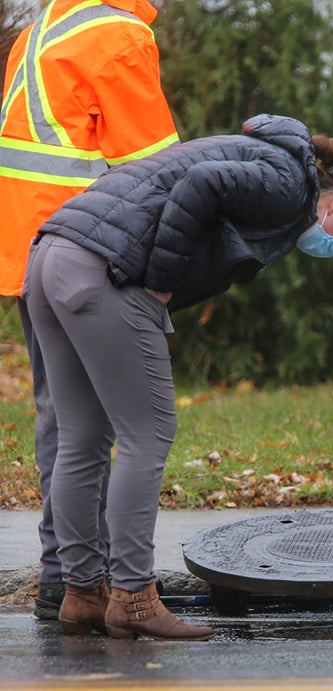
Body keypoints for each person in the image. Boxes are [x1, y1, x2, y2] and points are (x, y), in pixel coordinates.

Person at [23, 113, 333, 640]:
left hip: (52, 256)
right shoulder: (290, 185)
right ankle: (133, 598)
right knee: (146, 436)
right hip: (103, 271)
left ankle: (82, 594)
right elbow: (201, 185)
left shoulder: (265, 158)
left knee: (82, 439)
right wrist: (161, 287)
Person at [0, 0, 179, 621]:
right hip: (96, 253)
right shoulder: (119, 35)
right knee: (127, 427)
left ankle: (69, 581)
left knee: (66, 421)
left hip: (30, 251)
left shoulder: (36, 31)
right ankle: (113, 586)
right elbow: (157, 172)